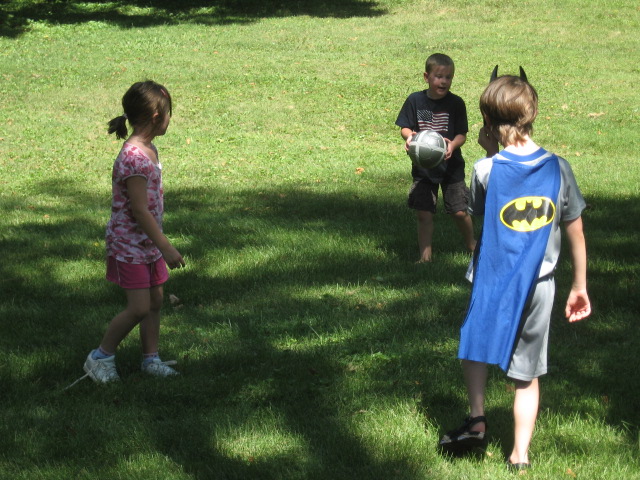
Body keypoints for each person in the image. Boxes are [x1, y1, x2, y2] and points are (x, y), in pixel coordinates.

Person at [438, 72, 591, 470]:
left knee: (473, 344)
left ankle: (477, 419)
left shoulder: (486, 170)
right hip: (539, 285)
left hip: (491, 280)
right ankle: (519, 457)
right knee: (527, 372)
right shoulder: (559, 168)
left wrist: (490, 153)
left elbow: (483, 217)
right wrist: (580, 284)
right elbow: (574, 227)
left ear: (487, 122)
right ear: (532, 113)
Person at [80, 81, 185, 384]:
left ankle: (150, 359)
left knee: (155, 302)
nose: (170, 119)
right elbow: (139, 210)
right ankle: (100, 356)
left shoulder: (149, 148)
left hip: (146, 242)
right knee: (139, 306)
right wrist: (166, 246)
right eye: (168, 113)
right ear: (155, 115)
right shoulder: (134, 158)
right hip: (130, 245)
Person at [395, 53, 475, 262]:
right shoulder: (415, 100)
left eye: (448, 77)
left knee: (459, 211)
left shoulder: (456, 103)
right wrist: (410, 137)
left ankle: (472, 245)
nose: (444, 81)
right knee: (424, 213)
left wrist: (453, 145)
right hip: (424, 166)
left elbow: (462, 134)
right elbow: (405, 127)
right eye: (439, 76)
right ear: (426, 77)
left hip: (451, 167)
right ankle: (425, 256)